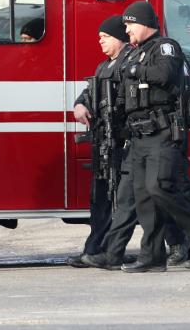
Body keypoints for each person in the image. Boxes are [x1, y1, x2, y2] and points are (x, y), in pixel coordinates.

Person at [115, 0, 190, 272]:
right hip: (139, 135)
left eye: (130, 25)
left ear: (143, 24)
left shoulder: (166, 47)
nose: (126, 31)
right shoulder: (134, 52)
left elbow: (164, 74)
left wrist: (134, 71)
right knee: (144, 199)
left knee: (161, 188)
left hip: (163, 131)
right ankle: (152, 256)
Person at [67, 15, 134, 267]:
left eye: (105, 37)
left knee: (118, 199)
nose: (100, 42)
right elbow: (90, 91)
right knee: (100, 199)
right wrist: (80, 104)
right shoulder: (104, 66)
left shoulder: (128, 63)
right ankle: (95, 248)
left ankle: (109, 251)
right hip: (103, 140)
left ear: (118, 37)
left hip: (121, 141)